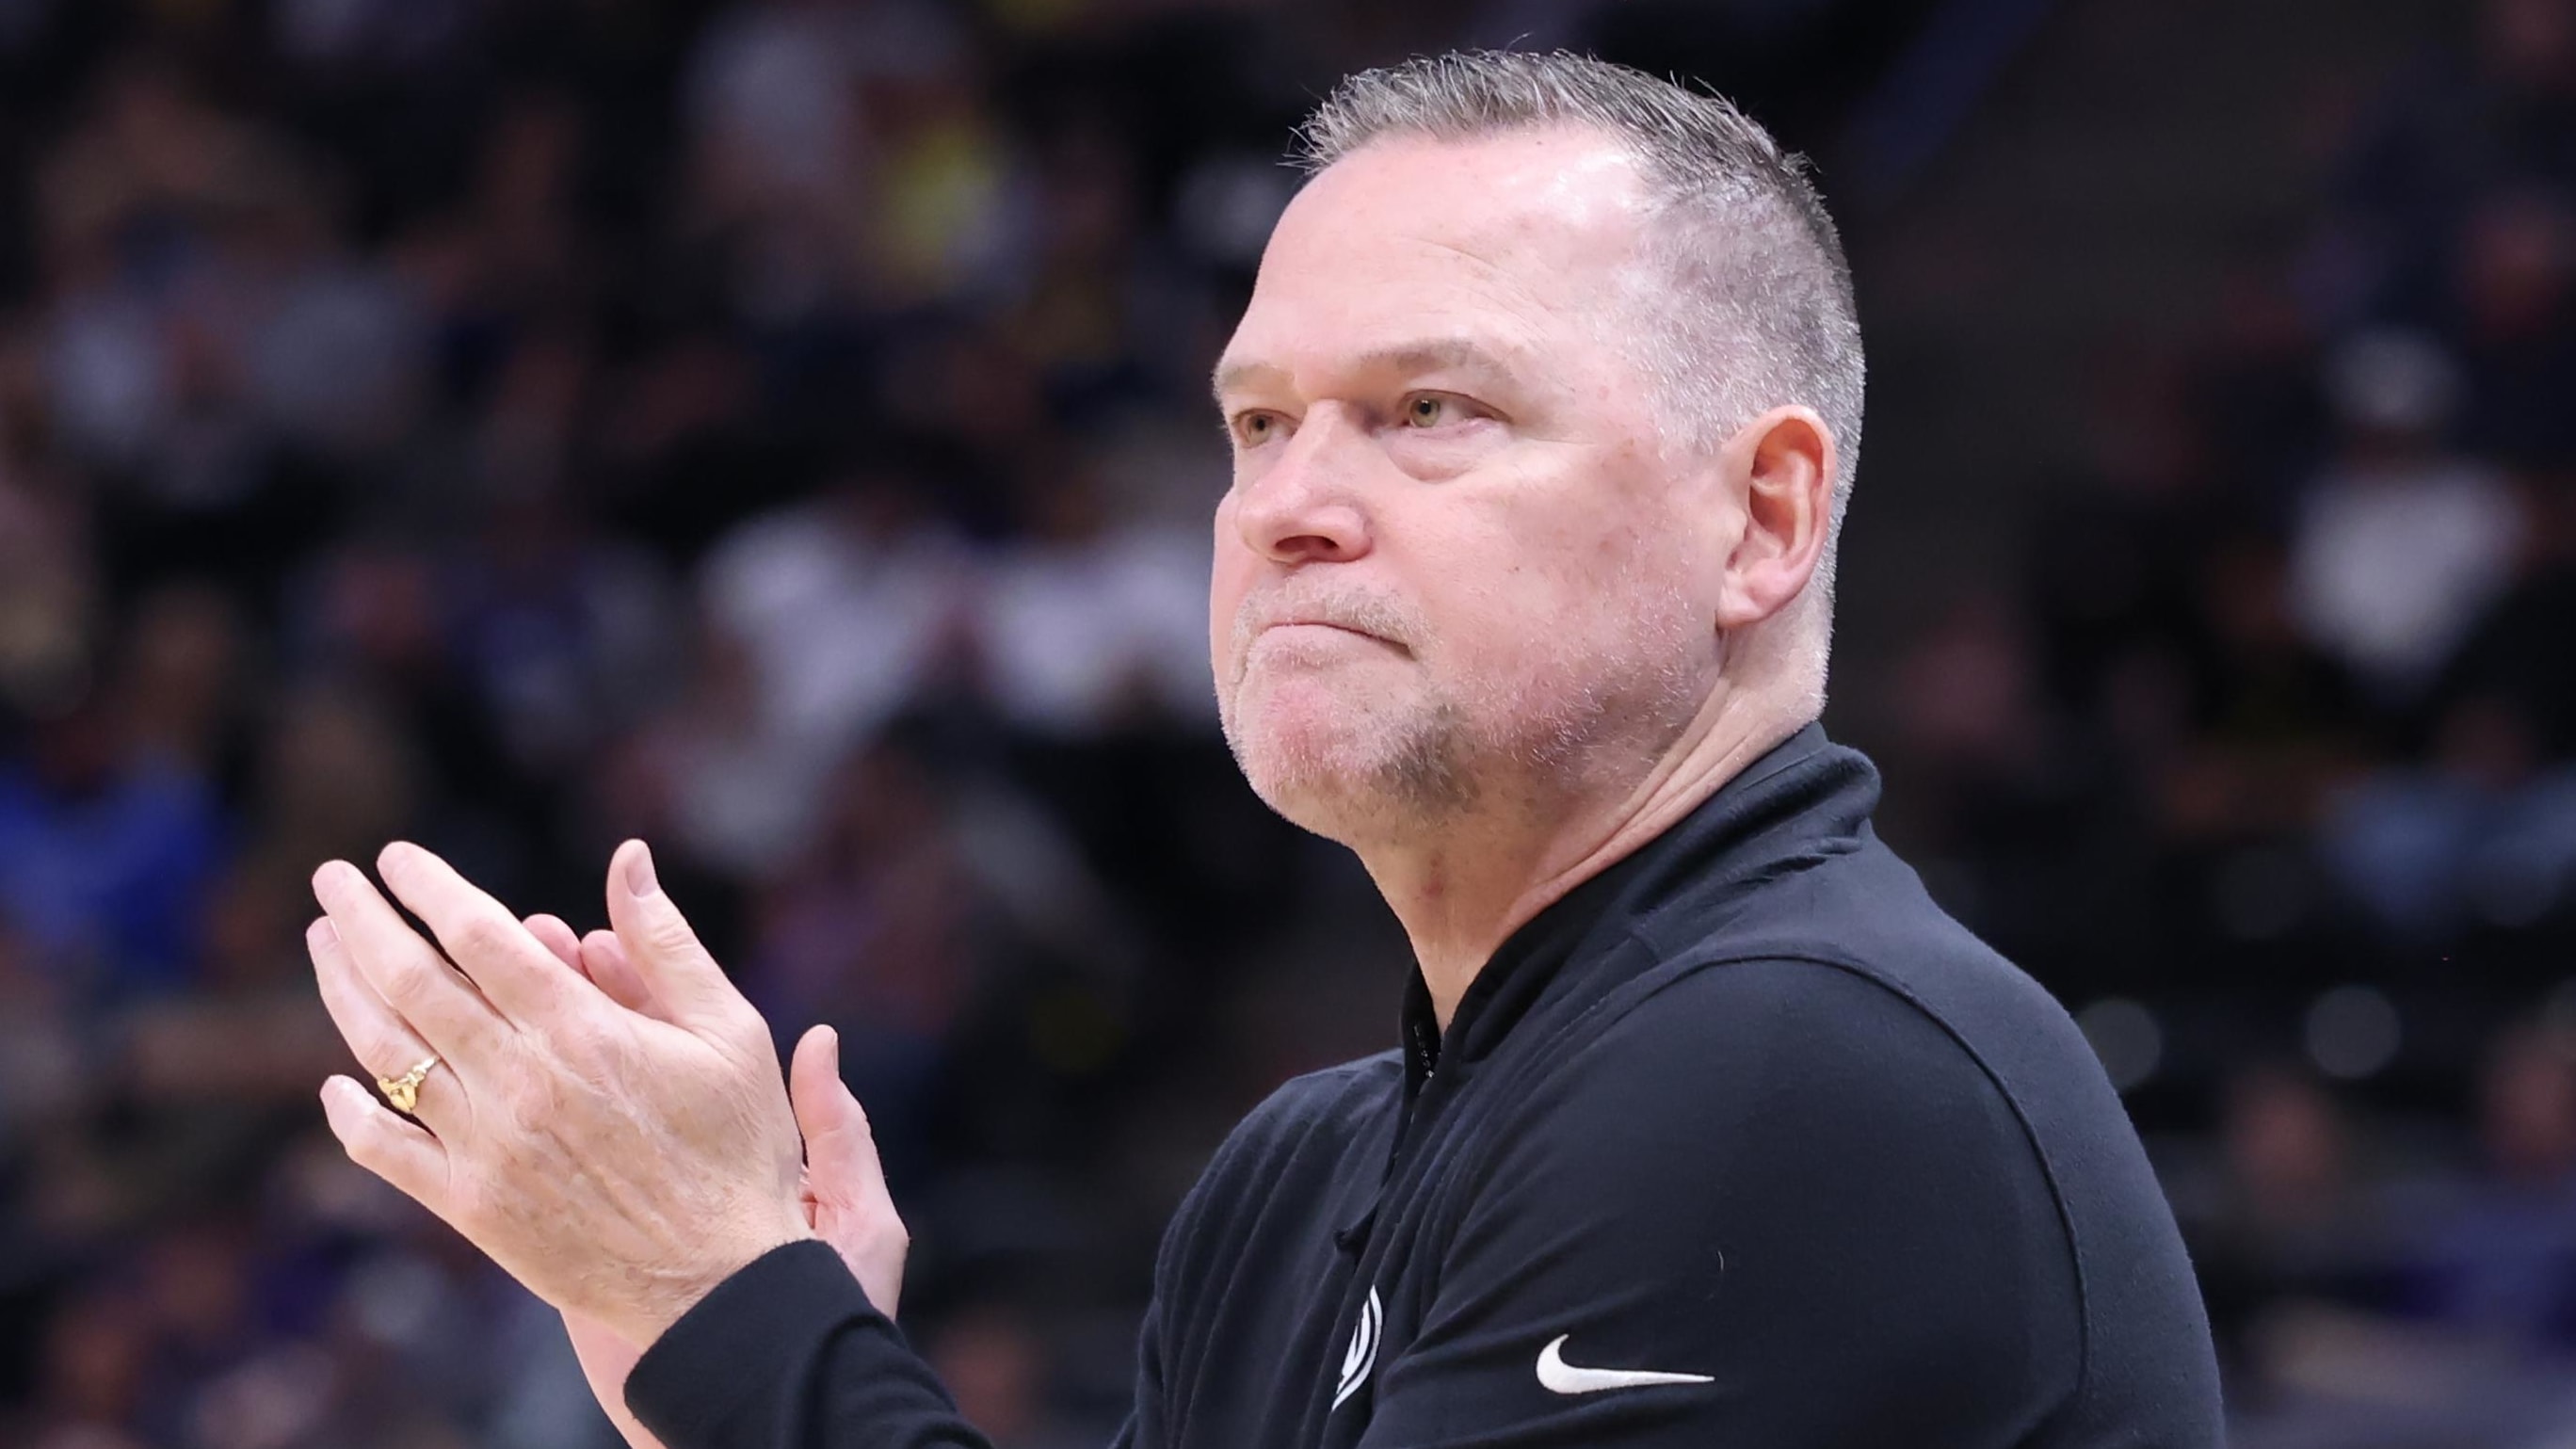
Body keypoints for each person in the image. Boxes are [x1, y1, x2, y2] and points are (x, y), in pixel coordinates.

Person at [301, 50, 2225, 1449]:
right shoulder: (1299, 1175)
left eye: (1432, 409)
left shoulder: (1809, 1067)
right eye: (1255, 425)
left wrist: (724, 1313)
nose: (1289, 502)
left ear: (1765, 516)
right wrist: (715, 1351)